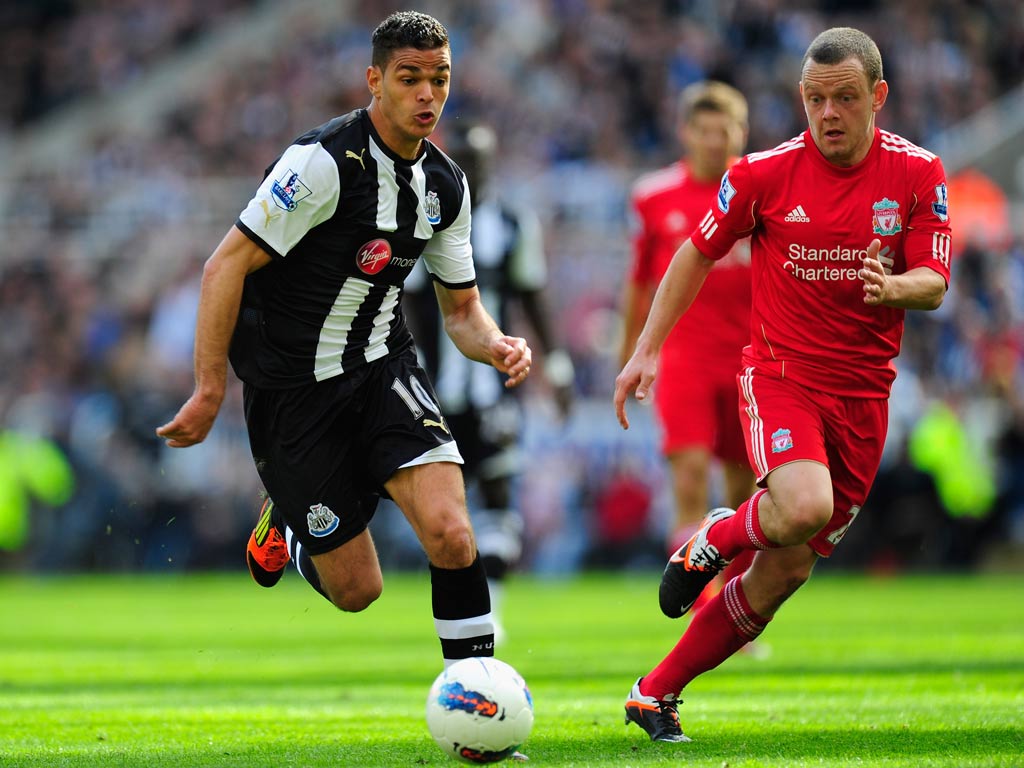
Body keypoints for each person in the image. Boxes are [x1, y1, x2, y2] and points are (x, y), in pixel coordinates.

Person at [155, 11, 533, 669]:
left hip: (384, 365)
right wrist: (210, 387)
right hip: (293, 391)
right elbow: (225, 265)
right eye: (409, 78)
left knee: (452, 533)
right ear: (374, 80)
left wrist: (497, 343)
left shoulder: (445, 186)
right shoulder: (323, 163)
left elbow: (464, 310)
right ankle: (293, 526)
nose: (427, 96)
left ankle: (475, 699)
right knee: (358, 591)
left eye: (439, 80)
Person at [615, 27, 951, 742]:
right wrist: (646, 349)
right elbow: (693, 254)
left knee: (784, 571)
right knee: (799, 507)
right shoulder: (764, 174)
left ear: (877, 98)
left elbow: (935, 281)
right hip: (782, 376)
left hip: (864, 396)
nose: (828, 113)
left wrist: (894, 285)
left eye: (845, 98)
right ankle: (717, 533)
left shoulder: (919, 173)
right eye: (815, 98)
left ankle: (654, 692)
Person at [403, 121, 574, 640]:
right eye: (467, 161)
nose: (474, 171)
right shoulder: (424, 220)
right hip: (435, 390)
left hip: (493, 386)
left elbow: (532, 297)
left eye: (482, 161)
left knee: (499, 493)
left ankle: (489, 609)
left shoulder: (513, 224)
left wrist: (557, 364)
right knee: (443, 506)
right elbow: (407, 302)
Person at [620, 80, 757, 612]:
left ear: (740, 134)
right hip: (683, 360)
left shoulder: (758, 192)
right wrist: (628, 354)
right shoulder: (654, 197)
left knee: (746, 491)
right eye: (702, 130)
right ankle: (705, 610)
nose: (712, 141)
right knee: (691, 477)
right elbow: (635, 285)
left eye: (722, 130)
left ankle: (739, 613)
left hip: (749, 360)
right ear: (685, 133)